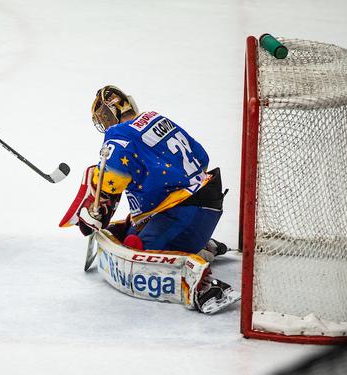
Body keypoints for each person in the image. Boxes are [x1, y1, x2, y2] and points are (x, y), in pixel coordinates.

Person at [76, 85, 231, 310]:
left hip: (187, 213)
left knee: (134, 250)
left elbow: (111, 183)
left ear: (110, 114)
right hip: (208, 199)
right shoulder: (156, 118)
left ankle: (201, 282)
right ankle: (203, 245)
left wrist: (95, 211)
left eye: (102, 117)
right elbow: (201, 156)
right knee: (131, 232)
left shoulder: (118, 136)